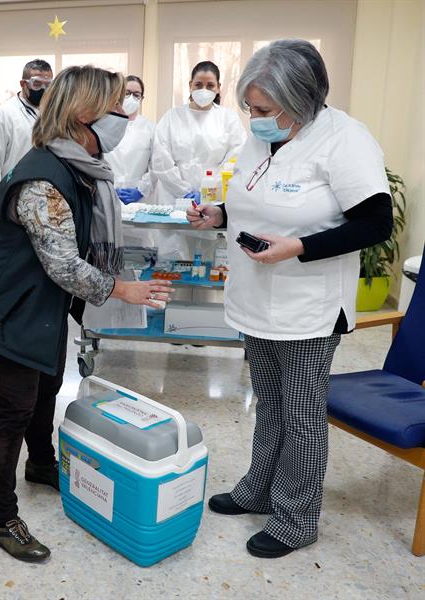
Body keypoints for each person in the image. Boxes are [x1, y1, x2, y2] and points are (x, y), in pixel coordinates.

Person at [187, 39, 393, 559]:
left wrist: (299, 248)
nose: (254, 119)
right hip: (256, 296)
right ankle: (260, 487)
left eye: (263, 110)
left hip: (308, 306)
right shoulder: (266, 137)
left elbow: (375, 223)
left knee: (302, 414)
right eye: (250, 108)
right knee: (269, 401)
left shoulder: (346, 140)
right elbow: (260, 201)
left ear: (301, 101)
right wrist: (219, 217)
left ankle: (297, 517)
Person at [0, 66, 173, 563]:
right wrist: (121, 289)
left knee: (50, 384)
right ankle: (0, 515)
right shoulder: (43, 178)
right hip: (4, 305)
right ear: (83, 115)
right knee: (15, 405)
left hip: (38, 299)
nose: (125, 115)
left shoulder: (80, 166)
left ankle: (40, 464)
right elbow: (63, 264)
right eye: (117, 107)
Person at [152, 60, 246, 205]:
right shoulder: (172, 116)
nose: (204, 90)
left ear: (218, 87)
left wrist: (210, 188)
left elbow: (236, 156)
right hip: (173, 196)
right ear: (190, 85)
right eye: (198, 85)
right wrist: (184, 191)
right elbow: (161, 159)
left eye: (210, 86)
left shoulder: (228, 118)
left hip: (214, 194)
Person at [0, 59, 54, 200]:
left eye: (48, 85)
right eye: (36, 84)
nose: (43, 90)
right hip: (11, 200)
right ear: (23, 84)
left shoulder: (53, 115)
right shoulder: (2, 116)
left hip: (45, 198)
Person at [106, 75, 155, 204]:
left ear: (142, 98)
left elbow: (156, 166)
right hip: (109, 194)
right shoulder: (105, 126)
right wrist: (108, 189)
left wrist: (140, 190)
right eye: (127, 93)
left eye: (136, 95)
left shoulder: (151, 129)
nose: (131, 98)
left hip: (140, 199)